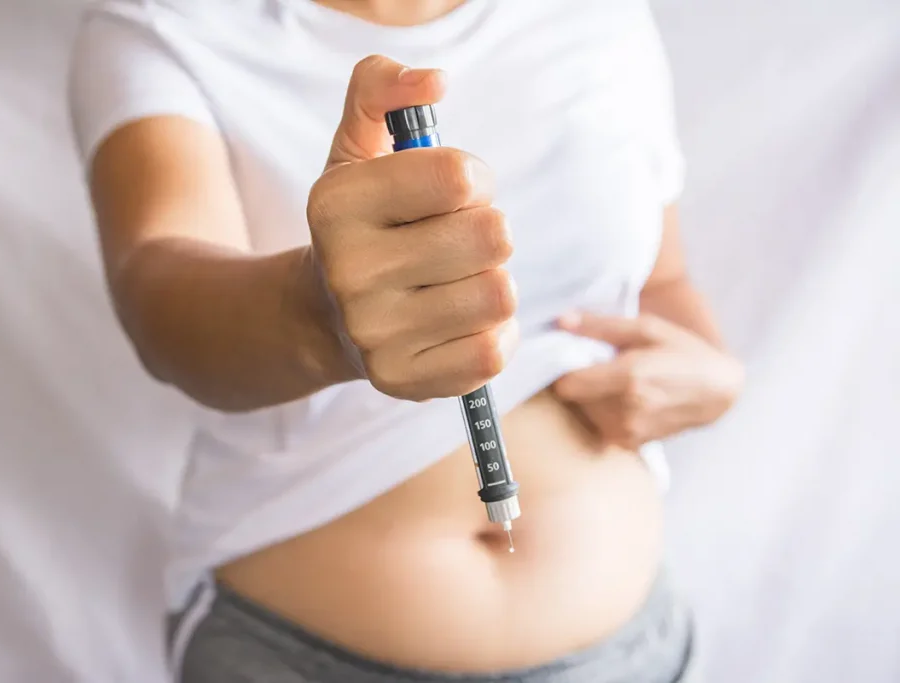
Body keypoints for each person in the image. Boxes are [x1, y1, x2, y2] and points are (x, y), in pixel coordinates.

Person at [68, 0, 743, 681]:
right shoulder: (166, 24)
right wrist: (320, 313)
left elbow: (660, 282)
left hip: (630, 652)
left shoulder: (598, 15)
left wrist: (710, 375)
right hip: (296, 656)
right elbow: (162, 299)